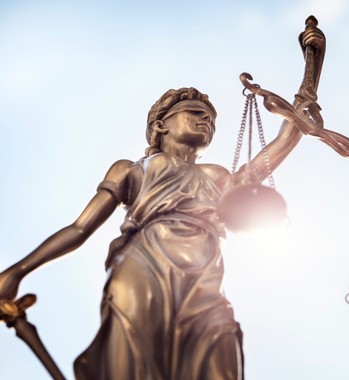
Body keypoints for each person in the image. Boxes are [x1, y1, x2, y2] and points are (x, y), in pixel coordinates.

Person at [0, 19, 325, 380]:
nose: (207, 123)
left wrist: (312, 72)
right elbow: (79, 229)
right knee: (132, 363)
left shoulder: (217, 177)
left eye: (212, 121)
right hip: (143, 264)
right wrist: (17, 271)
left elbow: (283, 141)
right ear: (161, 125)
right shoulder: (132, 169)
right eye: (196, 114)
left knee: (221, 353)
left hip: (204, 278)